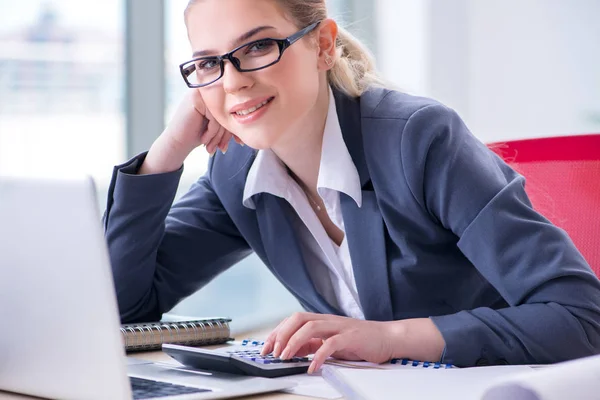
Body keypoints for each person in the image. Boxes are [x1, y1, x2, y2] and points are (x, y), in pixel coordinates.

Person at [103, 0, 600, 373]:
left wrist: (391, 338)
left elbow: (583, 318)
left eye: (257, 46)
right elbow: (122, 313)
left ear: (321, 45)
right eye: (209, 63)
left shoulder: (419, 140)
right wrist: (166, 152)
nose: (232, 83)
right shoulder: (235, 175)